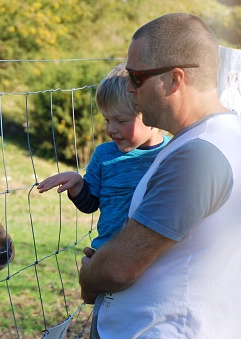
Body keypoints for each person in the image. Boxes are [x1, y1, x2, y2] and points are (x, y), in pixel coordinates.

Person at [79, 13, 241, 338]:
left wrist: (89, 275)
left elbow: (118, 268)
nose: (128, 87)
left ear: (175, 79)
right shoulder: (220, 136)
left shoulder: (197, 157)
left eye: (136, 77)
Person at [37, 62, 170, 251]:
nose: (111, 129)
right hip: (105, 254)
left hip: (150, 258)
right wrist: (77, 184)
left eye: (121, 120)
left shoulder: (172, 154)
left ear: (150, 113)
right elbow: (90, 204)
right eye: (107, 120)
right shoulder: (104, 155)